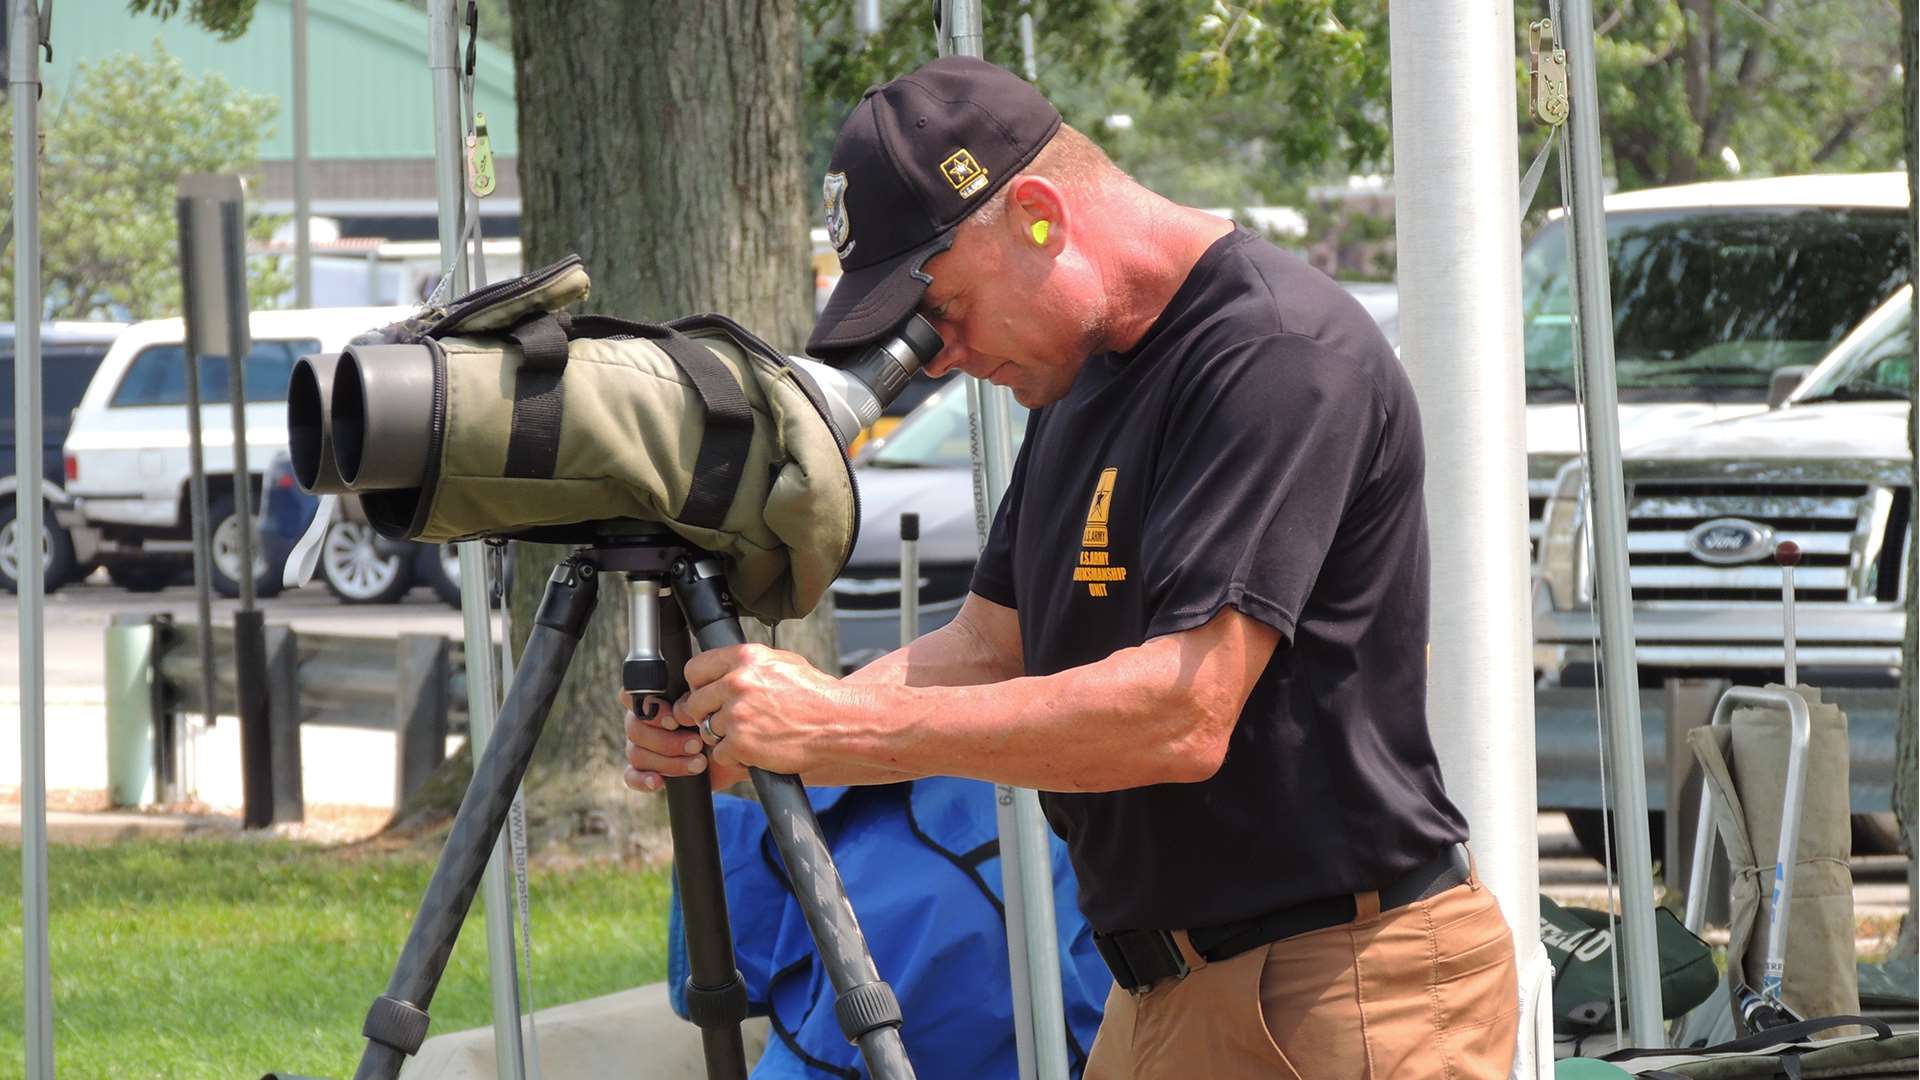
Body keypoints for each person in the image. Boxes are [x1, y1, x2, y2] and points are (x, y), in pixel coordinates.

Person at [623, 56, 1519, 1078]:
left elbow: (1184, 713)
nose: (943, 353)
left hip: (1340, 984)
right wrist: (764, 741)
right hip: (1161, 990)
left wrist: (839, 725)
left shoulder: (1274, 351)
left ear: (1040, 216)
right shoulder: (1083, 377)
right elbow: (986, 648)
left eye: (943, 307)